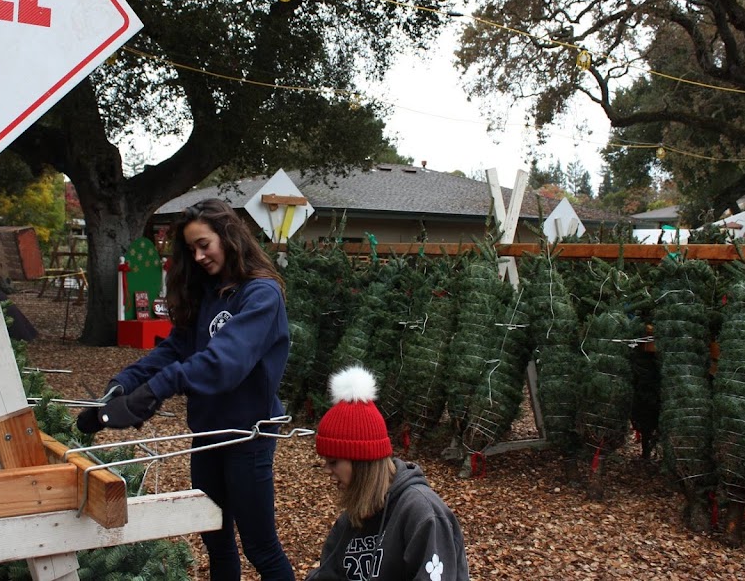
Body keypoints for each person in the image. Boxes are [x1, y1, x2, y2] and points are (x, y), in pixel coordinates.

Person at [76, 198, 294, 581]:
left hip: (248, 436)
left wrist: (156, 391)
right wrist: (125, 383)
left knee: (261, 547)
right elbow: (175, 348)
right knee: (215, 539)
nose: (197, 256)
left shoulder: (261, 295)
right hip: (207, 434)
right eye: (191, 248)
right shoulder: (208, 291)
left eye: (204, 244)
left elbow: (224, 362)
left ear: (228, 237)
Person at [306, 365, 469, 581]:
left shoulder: (422, 514)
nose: (327, 470)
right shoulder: (352, 519)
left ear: (361, 460)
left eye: (334, 461)